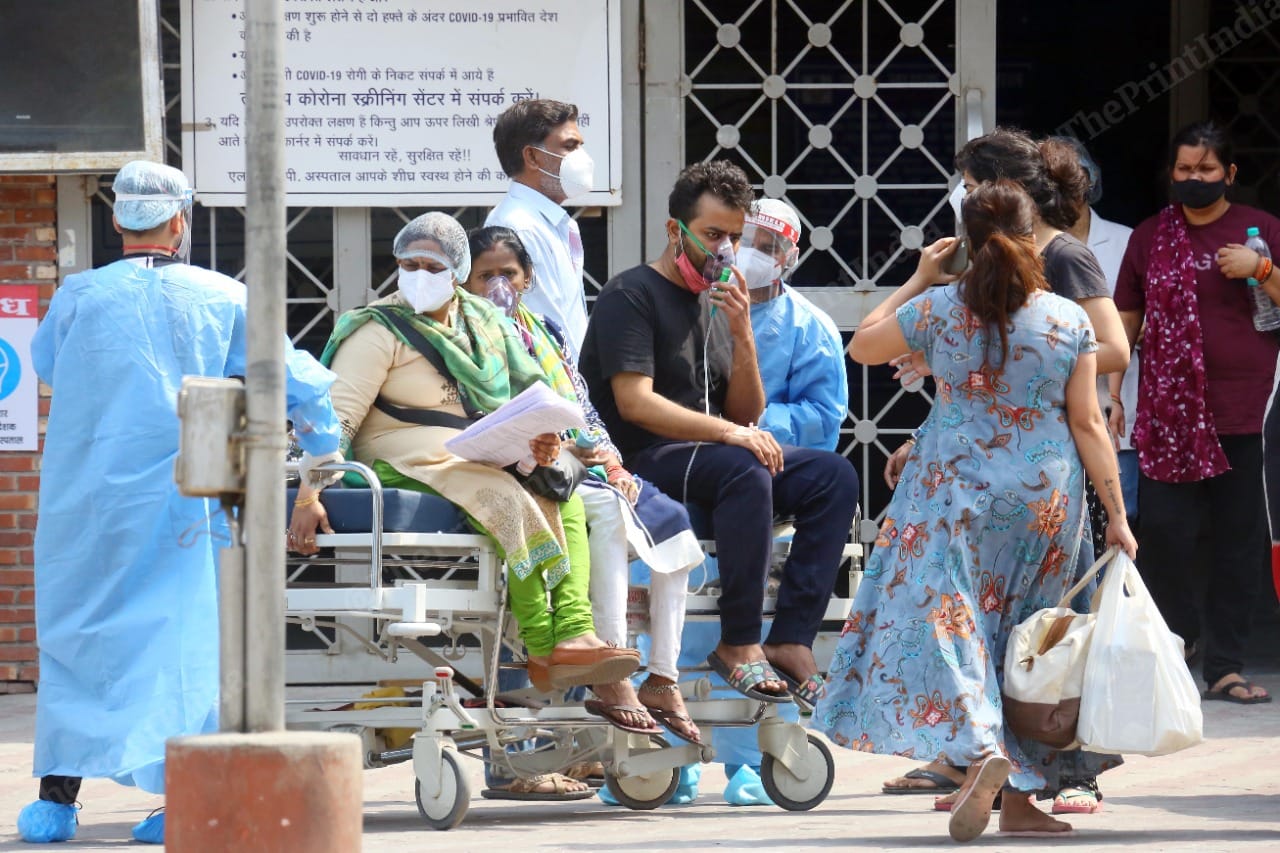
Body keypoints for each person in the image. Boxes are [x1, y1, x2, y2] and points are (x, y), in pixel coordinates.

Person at [18, 161, 343, 845]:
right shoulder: (222, 296)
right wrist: (321, 461)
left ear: (116, 219)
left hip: (85, 506)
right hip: (182, 501)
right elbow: (301, 386)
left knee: (79, 639)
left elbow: (50, 366)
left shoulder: (77, 295)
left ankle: (55, 798)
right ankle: (178, 798)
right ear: (179, 220)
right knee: (181, 647)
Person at [817, 180, 1137, 842]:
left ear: (964, 236)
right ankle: (1019, 801)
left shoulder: (939, 308)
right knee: (1029, 641)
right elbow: (1087, 420)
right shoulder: (1065, 318)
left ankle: (982, 745)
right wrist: (1117, 512)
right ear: (1032, 234)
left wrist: (917, 276)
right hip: (1042, 494)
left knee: (958, 623)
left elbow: (863, 346)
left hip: (955, 489)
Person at [287, 213, 641, 775]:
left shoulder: (483, 321)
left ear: (457, 273)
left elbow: (533, 388)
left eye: (434, 266)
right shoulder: (377, 329)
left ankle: (574, 633)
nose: (419, 275)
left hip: (478, 445)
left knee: (562, 489)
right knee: (505, 493)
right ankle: (543, 644)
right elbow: (338, 422)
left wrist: (545, 436)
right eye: (409, 265)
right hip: (401, 451)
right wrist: (309, 494)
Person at [881, 130, 1129, 810]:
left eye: (965, 178)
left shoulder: (1064, 258)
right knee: (1011, 623)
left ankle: (1068, 768)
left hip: (1037, 457)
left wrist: (1022, 354)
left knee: (1049, 630)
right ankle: (991, 767)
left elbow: (1112, 346)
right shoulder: (994, 268)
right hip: (1031, 466)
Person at [579, 160, 860, 708]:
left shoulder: (718, 299)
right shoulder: (631, 294)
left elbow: (745, 409)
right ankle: (739, 642)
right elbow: (636, 403)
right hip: (643, 457)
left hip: (710, 459)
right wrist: (731, 434)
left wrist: (741, 332)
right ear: (674, 230)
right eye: (712, 235)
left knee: (833, 476)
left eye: (735, 236)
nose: (726, 250)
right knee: (743, 466)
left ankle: (791, 639)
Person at [465, 225, 704, 744]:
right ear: (465, 283)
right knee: (609, 514)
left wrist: (613, 463)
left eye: (507, 273)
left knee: (674, 524)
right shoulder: (466, 334)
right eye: (485, 276)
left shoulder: (546, 329)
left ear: (527, 278)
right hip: (526, 465)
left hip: (583, 462)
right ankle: (611, 672)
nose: (497, 286)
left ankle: (664, 676)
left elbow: (584, 406)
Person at [675, 197, 849, 804]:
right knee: (681, 611)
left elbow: (823, 423)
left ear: (791, 258)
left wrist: (748, 427)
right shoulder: (687, 307)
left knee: (738, 612)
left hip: (763, 487)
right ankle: (672, 755)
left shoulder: (812, 330)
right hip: (690, 477)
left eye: (770, 246)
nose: (751, 253)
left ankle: (749, 760)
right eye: (741, 238)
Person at [1114, 120, 1279, 705]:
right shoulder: (1150, 236)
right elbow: (1124, 323)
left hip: (1245, 414)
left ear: (1229, 174)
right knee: (1165, 535)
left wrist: (1261, 270)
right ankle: (1177, 649)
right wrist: (1111, 391)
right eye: (1184, 170)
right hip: (1167, 418)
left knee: (1239, 542)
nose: (1193, 179)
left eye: (1206, 170)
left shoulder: (1261, 233)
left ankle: (1227, 666)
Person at [486, 98, 595, 355]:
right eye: (570, 146)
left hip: (570, 387)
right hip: (551, 388)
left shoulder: (553, 223)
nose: (582, 158)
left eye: (580, 146)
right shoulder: (517, 228)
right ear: (532, 157)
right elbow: (540, 335)